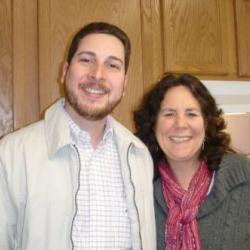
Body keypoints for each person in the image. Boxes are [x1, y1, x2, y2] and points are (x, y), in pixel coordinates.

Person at [0, 22, 156, 250]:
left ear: (124, 84)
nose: (97, 74)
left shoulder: (139, 155)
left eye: (113, 65)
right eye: (86, 60)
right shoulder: (12, 153)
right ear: (64, 72)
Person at [134, 73, 250, 250]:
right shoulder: (139, 187)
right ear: (153, 125)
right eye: (169, 114)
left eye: (191, 114)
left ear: (206, 124)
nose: (180, 124)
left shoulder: (243, 177)